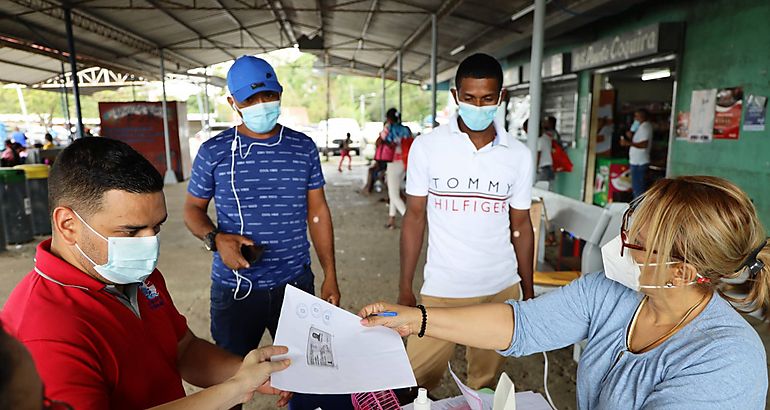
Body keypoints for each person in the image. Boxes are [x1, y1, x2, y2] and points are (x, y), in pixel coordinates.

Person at [363, 175, 770, 409]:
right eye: (629, 225)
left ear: (681, 273)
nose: (620, 243)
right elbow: (520, 324)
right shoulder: (610, 294)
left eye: (634, 242)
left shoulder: (727, 360)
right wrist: (417, 319)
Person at [0, 137, 292, 409]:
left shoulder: (133, 274)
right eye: (131, 231)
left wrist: (248, 371)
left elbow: (183, 348)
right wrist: (232, 390)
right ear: (68, 224)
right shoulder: (45, 333)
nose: (149, 244)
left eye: (157, 227)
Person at [183, 56, 344, 408]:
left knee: (305, 377)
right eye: (249, 100)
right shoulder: (214, 152)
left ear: (280, 94)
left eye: (267, 96)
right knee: (231, 383)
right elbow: (192, 210)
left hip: (296, 286)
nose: (260, 106)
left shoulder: (302, 148)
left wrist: (330, 273)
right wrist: (216, 240)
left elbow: (317, 212)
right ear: (232, 103)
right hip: (235, 291)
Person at [398, 53, 535, 391]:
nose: (478, 106)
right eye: (470, 98)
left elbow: (521, 225)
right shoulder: (427, 148)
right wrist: (404, 286)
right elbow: (414, 218)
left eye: (487, 98)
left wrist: (527, 288)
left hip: (499, 290)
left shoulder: (517, 155)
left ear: (500, 97)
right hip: (441, 290)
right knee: (413, 383)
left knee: (485, 385)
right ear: (457, 96)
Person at [382, 108, 412, 229]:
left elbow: (382, 141)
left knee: (393, 194)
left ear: (389, 118)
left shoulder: (390, 129)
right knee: (394, 190)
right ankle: (391, 219)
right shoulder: (406, 129)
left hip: (393, 163)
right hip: (404, 162)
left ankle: (409, 219)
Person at [620, 109, 652, 198]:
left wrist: (628, 143)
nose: (635, 118)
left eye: (637, 116)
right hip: (636, 161)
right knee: (636, 188)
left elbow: (644, 144)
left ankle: (639, 209)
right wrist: (631, 135)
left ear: (643, 116)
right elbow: (637, 140)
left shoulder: (645, 127)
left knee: (639, 189)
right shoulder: (640, 127)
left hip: (640, 163)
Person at [535, 119, 554, 183]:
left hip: (543, 168)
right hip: (550, 167)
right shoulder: (548, 138)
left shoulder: (540, 140)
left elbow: (538, 155)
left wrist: (535, 167)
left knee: (540, 189)